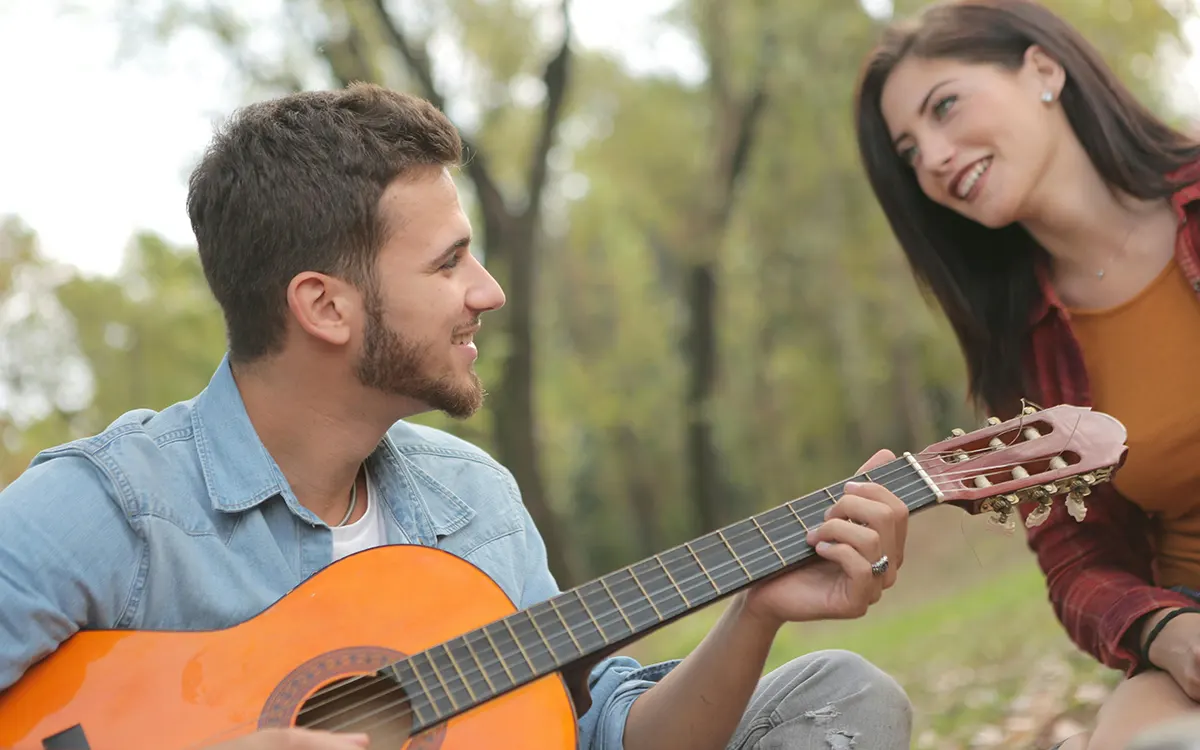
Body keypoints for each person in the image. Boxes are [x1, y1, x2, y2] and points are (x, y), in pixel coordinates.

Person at [0, 83, 913, 749]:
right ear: (324, 306)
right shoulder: (113, 507)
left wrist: (755, 610)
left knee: (838, 693)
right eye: (448, 263)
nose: (489, 291)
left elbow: (601, 732)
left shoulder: (469, 496)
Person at [852, 0, 1200, 748]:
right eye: (909, 152)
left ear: (1043, 69)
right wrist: (1165, 629)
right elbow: (1077, 558)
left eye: (945, 107)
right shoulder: (1022, 343)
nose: (933, 158)